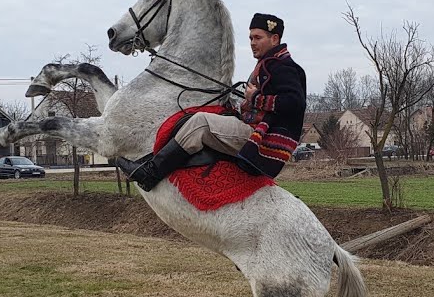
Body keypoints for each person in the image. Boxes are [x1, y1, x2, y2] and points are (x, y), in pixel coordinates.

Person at [116, 12, 307, 190]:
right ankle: (152, 161)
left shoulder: (282, 66)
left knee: (201, 123)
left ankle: (151, 173)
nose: (252, 43)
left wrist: (255, 98)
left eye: (258, 38)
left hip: (263, 141)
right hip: (254, 130)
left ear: (274, 39)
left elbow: (295, 103)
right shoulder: (270, 63)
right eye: (250, 38)